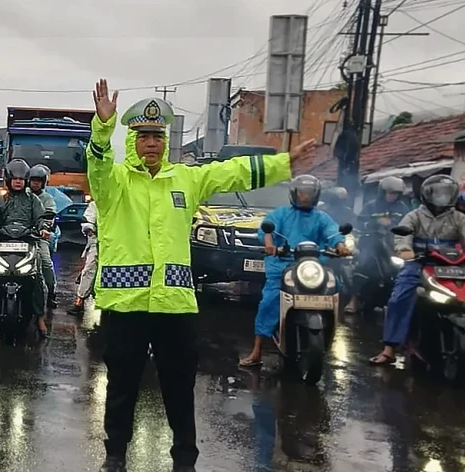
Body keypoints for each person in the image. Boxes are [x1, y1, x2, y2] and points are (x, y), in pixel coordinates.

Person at [86, 79, 318, 472]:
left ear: (165, 141)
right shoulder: (115, 183)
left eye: (157, 136)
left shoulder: (186, 179)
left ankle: (184, 460)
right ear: (133, 141)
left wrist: (285, 164)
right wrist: (102, 127)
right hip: (124, 306)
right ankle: (115, 456)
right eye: (142, 136)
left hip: (174, 306)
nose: (151, 144)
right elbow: (97, 163)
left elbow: (233, 173)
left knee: (179, 388)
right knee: (122, 387)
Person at [368, 175, 465, 366]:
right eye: (438, 193)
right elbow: (402, 237)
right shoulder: (414, 216)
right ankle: (389, 349)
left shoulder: (459, 218)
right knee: (399, 298)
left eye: (447, 193)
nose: (443, 197)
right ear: (427, 194)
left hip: (453, 265)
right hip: (420, 262)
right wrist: (405, 250)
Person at [238, 175, 351, 367]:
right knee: (269, 301)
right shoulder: (281, 214)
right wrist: (269, 245)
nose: (305, 197)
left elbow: (333, 233)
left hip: (312, 266)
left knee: (337, 287)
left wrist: (341, 245)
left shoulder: (322, 217)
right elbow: (267, 232)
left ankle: (328, 332)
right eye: (302, 193)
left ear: (316, 196)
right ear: (294, 194)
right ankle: (257, 351)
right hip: (283, 264)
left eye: (309, 194)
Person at [0, 159, 50, 338]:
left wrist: (43, 228)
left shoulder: (33, 200)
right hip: (2, 243)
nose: (18, 181)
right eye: (14, 178)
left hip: (28, 242)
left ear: (25, 180)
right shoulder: (1, 200)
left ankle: (40, 317)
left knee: (37, 278)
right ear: (8, 180)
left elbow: (41, 218)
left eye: (21, 179)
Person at [344, 176, 411, 313]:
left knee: (407, 269)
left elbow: (409, 226)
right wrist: (376, 222)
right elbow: (358, 224)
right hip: (371, 243)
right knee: (363, 265)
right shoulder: (371, 206)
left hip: (393, 246)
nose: (393, 196)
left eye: (396, 194)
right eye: (391, 193)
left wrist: (392, 224)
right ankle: (354, 300)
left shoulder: (403, 208)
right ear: (382, 192)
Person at [28, 164, 59, 310]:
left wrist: (45, 228)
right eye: (33, 180)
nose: (35, 183)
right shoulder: (22, 195)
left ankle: (51, 292)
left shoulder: (47, 199)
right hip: (20, 236)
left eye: (38, 180)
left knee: (46, 262)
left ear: (43, 182)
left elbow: (49, 217)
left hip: (39, 236)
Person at [70, 200, 99, 315]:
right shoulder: (95, 204)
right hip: (98, 242)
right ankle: (80, 300)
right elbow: (88, 220)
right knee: (89, 269)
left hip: (118, 244)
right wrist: (89, 229)